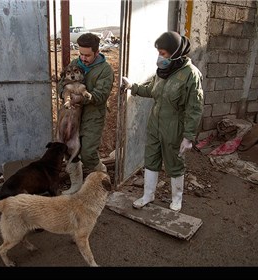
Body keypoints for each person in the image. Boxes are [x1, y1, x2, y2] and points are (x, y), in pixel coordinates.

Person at [121, 31, 204, 212]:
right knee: (151, 160)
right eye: (159, 52)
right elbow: (152, 90)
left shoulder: (191, 75)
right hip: (155, 125)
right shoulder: (162, 72)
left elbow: (194, 108)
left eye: (163, 53)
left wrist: (188, 137)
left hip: (174, 128)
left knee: (174, 163)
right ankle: (148, 195)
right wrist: (132, 87)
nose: (160, 57)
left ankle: (177, 198)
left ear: (175, 53)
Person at [58, 33, 114, 194]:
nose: (83, 58)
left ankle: (103, 175)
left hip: (93, 114)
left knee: (88, 152)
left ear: (97, 52)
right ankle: (76, 184)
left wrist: (78, 99)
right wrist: (64, 94)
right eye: (80, 54)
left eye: (87, 55)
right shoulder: (76, 63)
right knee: (69, 148)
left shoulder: (105, 70)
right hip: (72, 115)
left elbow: (100, 96)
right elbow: (62, 83)